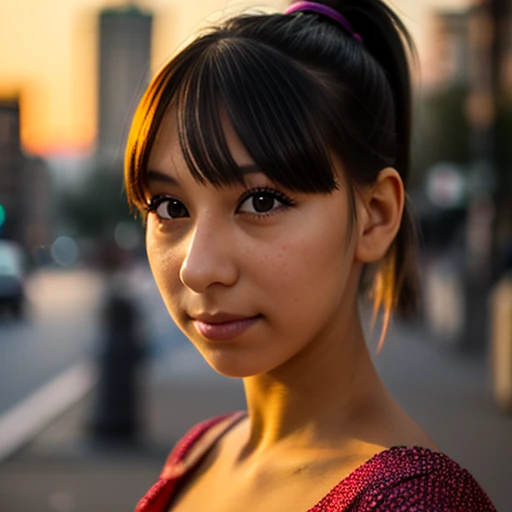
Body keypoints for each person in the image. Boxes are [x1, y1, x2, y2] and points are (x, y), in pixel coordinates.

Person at [124, 1, 497, 510]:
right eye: (170, 206)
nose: (198, 269)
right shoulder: (202, 449)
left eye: (261, 201)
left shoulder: (411, 502)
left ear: (376, 215)